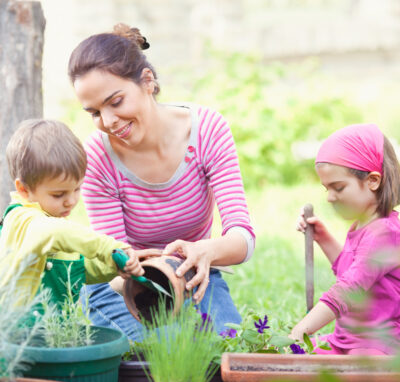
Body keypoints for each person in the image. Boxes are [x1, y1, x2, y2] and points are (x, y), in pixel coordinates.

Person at [68, 24, 255, 340]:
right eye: (95, 112)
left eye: (115, 102)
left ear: (147, 81)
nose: (109, 121)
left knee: (227, 350)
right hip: (126, 286)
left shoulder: (207, 130)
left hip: (192, 275)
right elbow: (117, 258)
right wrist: (146, 271)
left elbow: (242, 239)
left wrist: (205, 251)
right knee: (161, 355)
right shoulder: (98, 158)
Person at [0, 119, 140, 307]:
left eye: (77, 189)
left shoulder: (52, 223)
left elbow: (80, 269)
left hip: (53, 331)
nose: (72, 201)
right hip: (16, 332)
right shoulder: (22, 219)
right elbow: (55, 232)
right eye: (58, 194)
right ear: (24, 189)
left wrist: (116, 265)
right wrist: (109, 247)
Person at [291, 123, 400, 355]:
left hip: (378, 344)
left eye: (338, 187)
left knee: (356, 371)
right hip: (346, 339)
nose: (330, 197)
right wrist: (323, 237)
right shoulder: (363, 225)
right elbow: (350, 269)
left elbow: (349, 288)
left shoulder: (386, 233)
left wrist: (301, 330)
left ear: (373, 181)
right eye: (326, 189)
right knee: (290, 354)